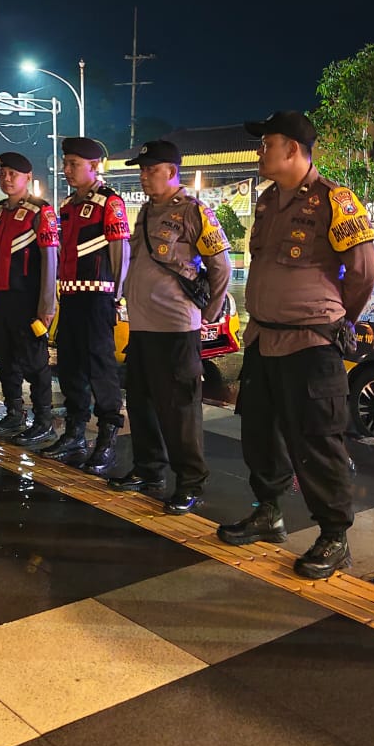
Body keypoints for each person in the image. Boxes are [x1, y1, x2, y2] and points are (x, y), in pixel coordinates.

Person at [216, 110, 374, 579]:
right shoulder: (267, 201)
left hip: (311, 344)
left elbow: (365, 272)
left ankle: (333, 536)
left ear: (293, 149)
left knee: (317, 442)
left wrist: (335, 316)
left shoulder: (336, 200)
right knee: (260, 433)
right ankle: (269, 512)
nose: (260, 152)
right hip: (263, 339)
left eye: (267, 143)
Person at [108, 140, 232, 512]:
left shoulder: (194, 212)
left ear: (171, 171)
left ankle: (190, 480)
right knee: (142, 401)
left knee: (179, 408)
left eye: (150, 169)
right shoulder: (145, 212)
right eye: (141, 170)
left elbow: (221, 267)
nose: (143, 176)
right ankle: (149, 468)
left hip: (177, 328)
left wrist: (207, 315)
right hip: (143, 327)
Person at [41, 137, 131, 467]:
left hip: (98, 297)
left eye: (73, 164)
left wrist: (116, 296)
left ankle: (107, 437)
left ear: (94, 167)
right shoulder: (67, 206)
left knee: (101, 367)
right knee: (70, 365)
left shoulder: (110, 203)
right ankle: (75, 432)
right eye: (65, 164)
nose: (66, 170)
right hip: (72, 298)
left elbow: (121, 254)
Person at [0, 151, 60, 447]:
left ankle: (43, 421)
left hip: (28, 301)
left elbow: (50, 260)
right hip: (3, 299)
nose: (6, 178)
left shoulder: (41, 211)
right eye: (3, 173)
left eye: (12, 174)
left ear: (27, 177)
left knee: (34, 362)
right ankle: (14, 413)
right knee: (5, 359)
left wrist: (46, 306)